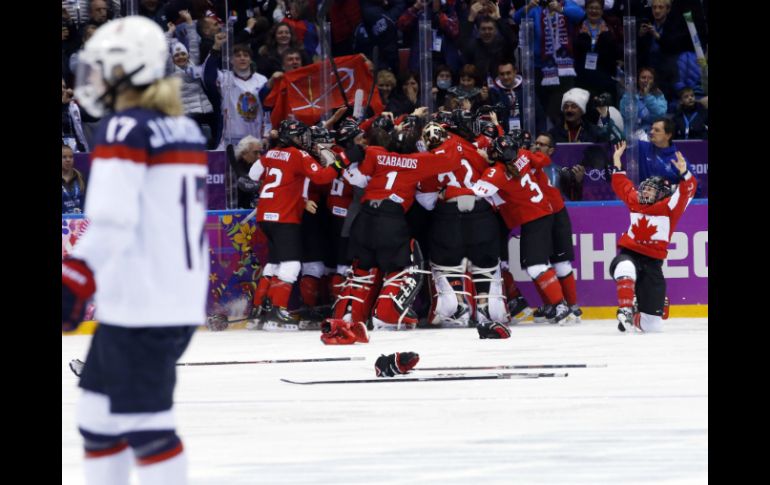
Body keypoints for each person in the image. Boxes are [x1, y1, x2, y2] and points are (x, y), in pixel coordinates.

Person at [61, 16, 209, 485]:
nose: (94, 79)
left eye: (103, 68)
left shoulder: (126, 127)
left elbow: (112, 220)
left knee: (146, 428)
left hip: (145, 306)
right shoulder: (179, 126)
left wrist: (75, 277)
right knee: (98, 417)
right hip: (161, 299)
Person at [246, 119, 346, 331]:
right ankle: (277, 311)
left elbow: (253, 175)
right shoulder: (299, 155)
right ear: (289, 137)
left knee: (274, 264)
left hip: (265, 217)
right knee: (291, 265)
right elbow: (321, 177)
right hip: (285, 217)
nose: (303, 140)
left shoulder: (270, 153)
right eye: (300, 135)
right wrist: (339, 163)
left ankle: (258, 312)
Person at [609, 140, 697, 332]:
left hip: (653, 263)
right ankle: (625, 309)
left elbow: (687, 192)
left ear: (662, 194)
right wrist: (617, 161)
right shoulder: (635, 201)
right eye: (644, 187)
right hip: (629, 253)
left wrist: (685, 173)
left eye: (650, 189)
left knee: (653, 327)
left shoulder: (669, 208)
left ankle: (639, 311)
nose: (644, 191)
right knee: (624, 265)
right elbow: (621, 184)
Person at [529, 132, 581, 321]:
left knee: (560, 262)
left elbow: (571, 194)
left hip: (556, 217)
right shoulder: (527, 165)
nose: (537, 146)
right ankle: (551, 305)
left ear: (550, 150)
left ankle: (572, 305)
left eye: (542, 144)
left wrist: (578, 183)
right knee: (538, 263)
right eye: (535, 143)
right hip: (538, 218)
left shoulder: (557, 171)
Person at [62, 144, 87, 214]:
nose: (68, 160)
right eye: (64, 157)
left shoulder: (81, 177)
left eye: (71, 157)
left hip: (81, 221)